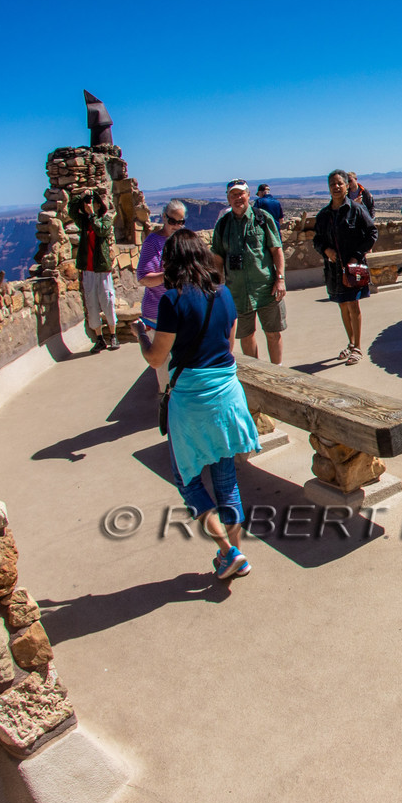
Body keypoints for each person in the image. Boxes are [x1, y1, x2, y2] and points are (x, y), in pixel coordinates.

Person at [135, 230, 258, 580]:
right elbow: (228, 344)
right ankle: (234, 556)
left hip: (192, 401)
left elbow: (157, 358)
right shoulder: (224, 293)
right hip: (227, 395)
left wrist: (141, 336)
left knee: (188, 479)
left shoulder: (171, 302)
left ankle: (228, 551)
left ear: (172, 262)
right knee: (226, 478)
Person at [210, 179, 287, 365]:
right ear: (228, 198)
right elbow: (218, 257)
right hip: (237, 292)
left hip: (266, 287)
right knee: (246, 335)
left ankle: (278, 372)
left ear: (248, 195)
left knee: (273, 332)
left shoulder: (263, 219)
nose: (238, 198)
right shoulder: (222, 225)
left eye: (241, 194)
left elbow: (276, 250)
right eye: (233, 195)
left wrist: (280, 279)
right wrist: (218, 286)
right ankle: (257, 373)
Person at [313, 169, 378, 364]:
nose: (336, 187)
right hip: (334, 270)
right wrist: (326, 250)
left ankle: (357, 347)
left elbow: (372, 233)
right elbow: (317, 239)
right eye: (332, 184)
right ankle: (350, 343)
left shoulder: (356, 210)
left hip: (354, 267)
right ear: (328, 187)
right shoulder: (324, 215)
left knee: (353, 304)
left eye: (339, 183)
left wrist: (357, 256)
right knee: (342, 304)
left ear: (346, 185)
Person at [135, 200, 185, 391]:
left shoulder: (180, 239)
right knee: (163, 364)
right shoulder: (153, 243)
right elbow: (144, 278)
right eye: (173, 221)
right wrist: (171, 274)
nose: (177, 226)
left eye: (181, 222)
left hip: (180, 309)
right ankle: (167, 404)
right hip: (158, 312)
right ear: (164, 217)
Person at [67, 191, 118, 351]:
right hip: (88, 269)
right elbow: (71, 211)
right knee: (91, 303)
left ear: (98, 204)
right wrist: (81, 197)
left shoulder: (105, 219)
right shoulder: (83, 222)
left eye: (92, 202)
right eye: (88, 203)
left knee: (107, 300)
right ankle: (99, 339)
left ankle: (113, 335)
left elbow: (101, 230)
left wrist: (91, 215)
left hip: (102, 268)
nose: (90, 205)